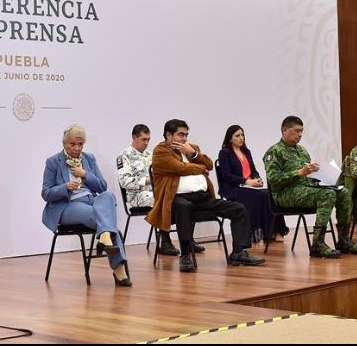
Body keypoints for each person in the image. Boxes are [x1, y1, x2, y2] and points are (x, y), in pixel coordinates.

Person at [146, 119, 265, 272]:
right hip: (174, 200)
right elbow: (179, 168)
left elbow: (209, 164)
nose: (184, 138)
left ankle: (238, 253)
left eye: (186, 135)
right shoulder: (160, 151)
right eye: (180, 135)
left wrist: (193, 154)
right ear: (168, 135)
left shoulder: (191, 149)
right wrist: (200, 168)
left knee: (238, 209)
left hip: (202, 198)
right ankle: (185, 255)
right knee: (184, 206)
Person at [263, 115, 357, 259]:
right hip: (285, 194)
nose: (300, 134)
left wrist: (321, 176)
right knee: (327, 195)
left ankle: (344, 240)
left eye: (301, 131)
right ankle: (318, 244)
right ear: (285, 130)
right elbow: (273, 179)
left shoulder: (302, 151)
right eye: (296, 131)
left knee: (343, 192)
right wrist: (299, 172)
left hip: (305, 190)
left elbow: (308, 178)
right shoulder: (274, 152)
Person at [42, 124, 131, 286]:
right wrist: (65, 187)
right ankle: (119, 269)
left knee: (108, 196)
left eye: (80, 144)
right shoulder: (53, 162)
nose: (77, 148)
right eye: (72, 144)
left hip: (91, 199)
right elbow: (46, 193)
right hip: (68, 205)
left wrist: (85, 174)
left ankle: (104, 237)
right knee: (110, 226)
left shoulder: (89, 158)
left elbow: (102, 186)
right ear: (64, 143)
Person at [217, 125, 289, 244]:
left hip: (249, 186)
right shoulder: (224, 153)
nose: (241, 138)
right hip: (233, 188)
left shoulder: (246, 151)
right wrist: (246, 181)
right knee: (261, 196)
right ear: (230, 139)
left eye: (242, 135)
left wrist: (257, 178)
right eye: (237, 136)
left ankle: (276, 231)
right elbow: (227, 175)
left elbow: (253, 170)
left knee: (270, 194)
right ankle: (266, 232)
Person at [116, 124, 180, 256]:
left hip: (156, 192)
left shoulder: (151, 155)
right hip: (137, 196)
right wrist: (148, 180)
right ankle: (165, 241)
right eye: (143, 139)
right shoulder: (124, 156)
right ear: (134, 137)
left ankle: (187, 240)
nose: (146, 143)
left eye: (148, 139)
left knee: (182, 199)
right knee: (162, 200)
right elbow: (125, 181)